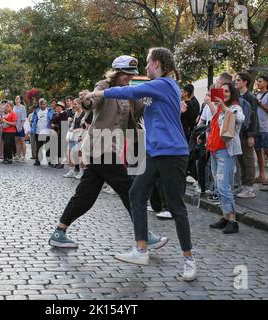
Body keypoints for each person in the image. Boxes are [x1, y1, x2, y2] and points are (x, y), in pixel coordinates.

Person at [81, 49, 196, 281]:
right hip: (153, 152)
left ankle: (189, 259)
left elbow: (130, 92)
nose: (144, 69)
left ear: (156, 64)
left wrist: (98, 92)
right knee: (136, 193)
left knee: (176, 206)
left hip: (173, 153)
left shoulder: (164, 83)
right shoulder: (159, 88)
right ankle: (141, 250)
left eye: (146, 64)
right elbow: (142, 106)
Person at [48, 54, 168, 265]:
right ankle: (145, 236)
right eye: (126, 75)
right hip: (101, 147)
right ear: (117, 73)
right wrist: (86, 100)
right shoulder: (104, 85)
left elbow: (137, 111)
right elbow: (92, 101)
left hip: (112, 148)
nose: (129, 79)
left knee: (85, 195)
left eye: (131, 76)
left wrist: (151, 102)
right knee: (130, 191)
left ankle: (59, 232)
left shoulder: (129, 92)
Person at [206, 82, 245, 234]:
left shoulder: (235, 108)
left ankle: (233, 220)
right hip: (215, 151)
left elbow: (240, 118)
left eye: (227, 91)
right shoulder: (219, 109)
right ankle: (225, 216)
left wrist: (223, 107)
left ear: (232, 93)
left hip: (225, 151)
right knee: (218, 185)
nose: (224, 94)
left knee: (224, 186)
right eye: (222, 92)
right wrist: (211, 103)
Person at [255, 76, 268, 184]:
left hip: (266, 128)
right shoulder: (257, 95)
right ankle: (262, 175)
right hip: (257, 128)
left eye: (260, 81)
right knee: (259, 151)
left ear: (266, 83)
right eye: (257, 81)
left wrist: (260, 104)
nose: (258, 83)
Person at [64, 98, 86, 179]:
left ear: (80, 104)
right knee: (70, 153)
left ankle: (81, 172)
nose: (74, 105)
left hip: (80, 136)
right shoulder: (75, 113)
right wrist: (70, 124)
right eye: (73, 104)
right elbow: (72, 124)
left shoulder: (84, 113)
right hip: (73, 135)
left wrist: (80, 134)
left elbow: (85, 127)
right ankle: (71, 171)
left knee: (80, 154)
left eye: (75, 104)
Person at [31, 98, 54, 166]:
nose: (42, 106)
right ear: (39, 104)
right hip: (38, 132)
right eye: (41, 104)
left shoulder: (49, 111)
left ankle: (50, 161)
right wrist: (33, 129)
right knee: (38, 147)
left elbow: (52, 119)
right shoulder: (37, 111)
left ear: (46, 104)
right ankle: (37, 160)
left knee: (48, 147)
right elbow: (33, 120)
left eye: (43, 104)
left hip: (47, 131)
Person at [49, 101, 69, 169]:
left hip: (62, 132)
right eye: (56, 106)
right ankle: (56, 162)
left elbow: (64, 123)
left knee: (62, 148)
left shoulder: (64, 114)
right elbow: (51, 121)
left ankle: (62, 163)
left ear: (62, 107)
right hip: (55, 132)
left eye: (58, 106)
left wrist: (56, 126)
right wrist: (51, 124)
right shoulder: (55, 114)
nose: (57, 107)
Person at [13, 95, 27, 162]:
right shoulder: (14, 107)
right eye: (16, 98)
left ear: (20, 100)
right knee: (16, 142)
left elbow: (23, 118)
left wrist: (21, 126)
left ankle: (23, 156)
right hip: (14, 126)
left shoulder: (23, 107)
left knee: (22, 141)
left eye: (17, 98)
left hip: (21, 126)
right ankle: (18, 155)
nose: (16, 98)